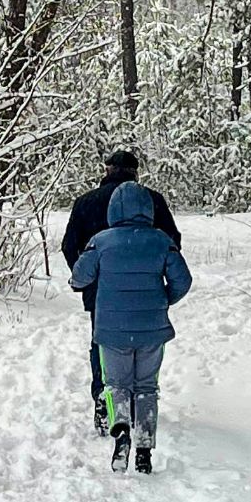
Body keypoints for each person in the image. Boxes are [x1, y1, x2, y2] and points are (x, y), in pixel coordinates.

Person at [69, 181, 193, 474]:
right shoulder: (162, 241)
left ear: (113, 209)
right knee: (147, 387)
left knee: (116, 385)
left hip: (111, 331)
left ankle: (121, 429)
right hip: (152, 329)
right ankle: (145, 448)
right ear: (148, 210)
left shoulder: (101, 242)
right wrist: (164, 299)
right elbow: (183, 280)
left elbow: (79, 277)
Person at [61, 151, 181, 433]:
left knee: (102, 346)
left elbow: (69, 245)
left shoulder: (85, 203)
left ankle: (105, 400)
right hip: (146, 291)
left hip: (100, 291)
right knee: (143, 347)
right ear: (135, 172)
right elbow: (172, 243)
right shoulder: (153, 201)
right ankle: (140, 407)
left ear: (107, 169)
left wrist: (88, 279)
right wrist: (159, 283)